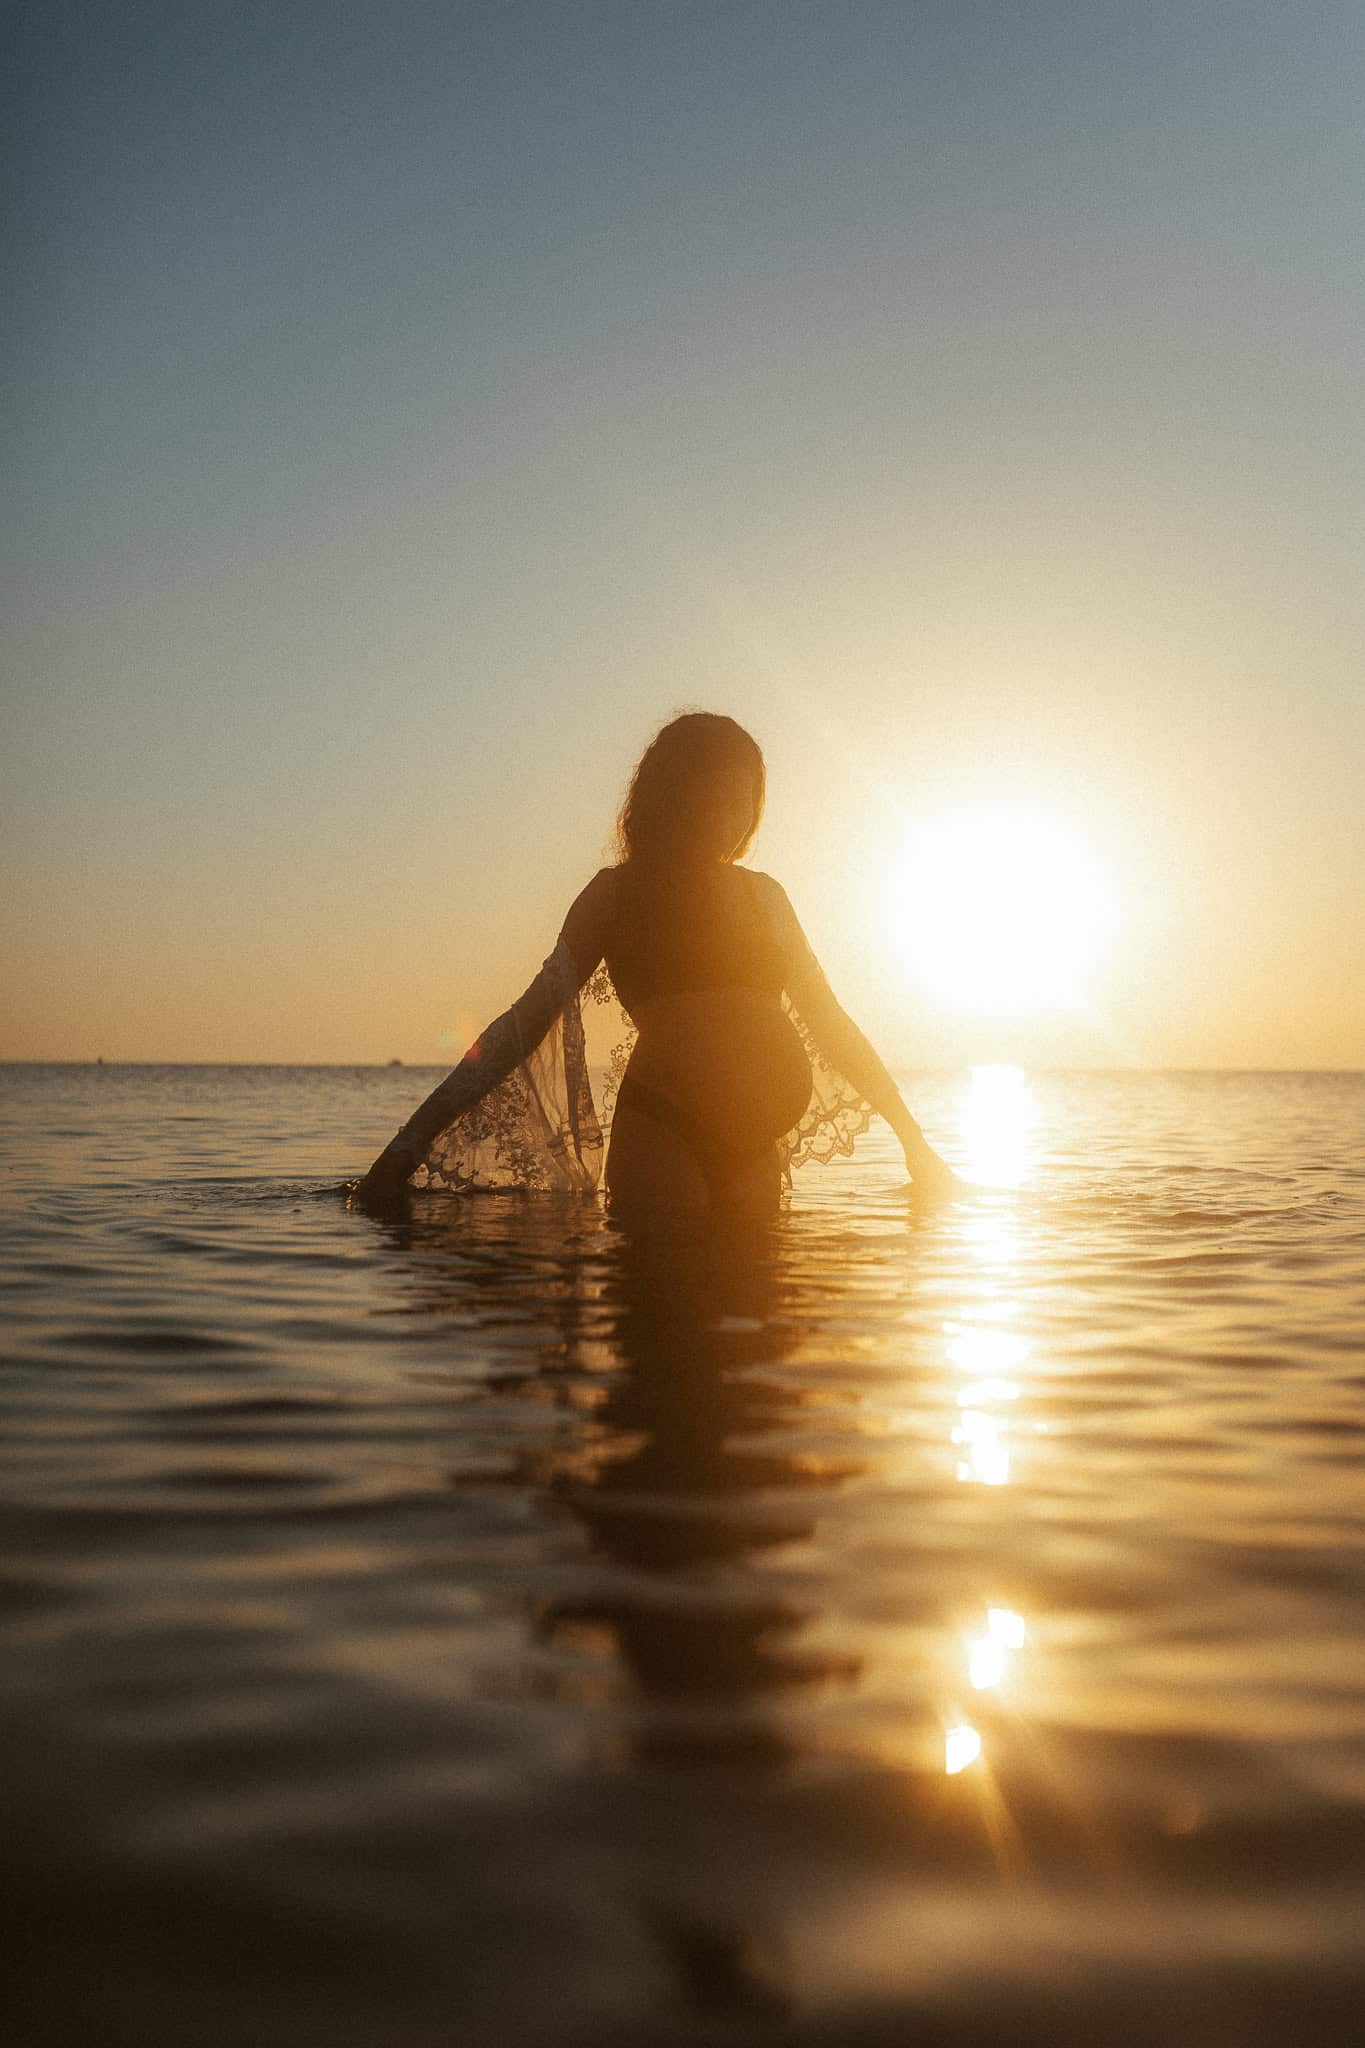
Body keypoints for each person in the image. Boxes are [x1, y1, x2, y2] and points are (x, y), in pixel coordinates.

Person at [356, 712, 961, 1219]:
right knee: (663, 1331)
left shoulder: (765, 896)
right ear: (671, 791)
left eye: (745, 792)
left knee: (753, 1341)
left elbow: (829, 1021)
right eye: (715, 788)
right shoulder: (617, 894)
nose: (732, 806)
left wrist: (915, 1144)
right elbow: (524, 1024)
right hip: (665, 1132)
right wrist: (404, 1149)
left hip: (755, 1140)